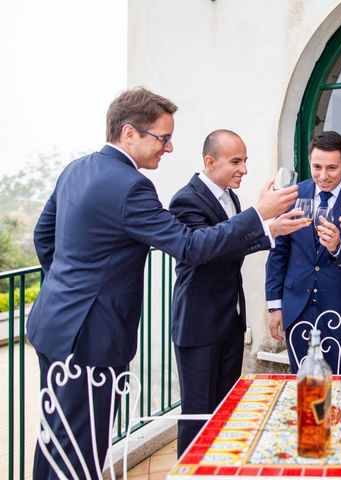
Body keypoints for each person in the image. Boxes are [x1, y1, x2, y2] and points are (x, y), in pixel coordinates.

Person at [27, 87, 299, 479]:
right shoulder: (130, 186)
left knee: (57, 442)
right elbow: (188, 246)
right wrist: (257, 214)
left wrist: (67, 291)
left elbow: (45, 237)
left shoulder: (77, 168)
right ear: (129, 133)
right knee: (82, 454)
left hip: (54, 324)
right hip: (90, 338)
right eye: (163, 138)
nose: (169, 148)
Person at [169, 129, 307, 456]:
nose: (244, 169)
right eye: (236, 161)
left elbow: (231, 245)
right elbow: (204, 251)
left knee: (225, 409)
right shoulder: (186, 200)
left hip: (230, 320)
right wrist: (261, 219)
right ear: (209, 161)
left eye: (245, 161)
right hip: (199, 323)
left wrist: (271, 231)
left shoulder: (230, 198)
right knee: (198, 415)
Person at [265, 130, 341, 374]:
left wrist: (339, 247)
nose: (323, 176)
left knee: (340, 383)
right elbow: (278, 252)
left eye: (332, 168)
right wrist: (275, 306)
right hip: (297, 308)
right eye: (317, 167)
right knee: (302, 383)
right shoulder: (293, 195)